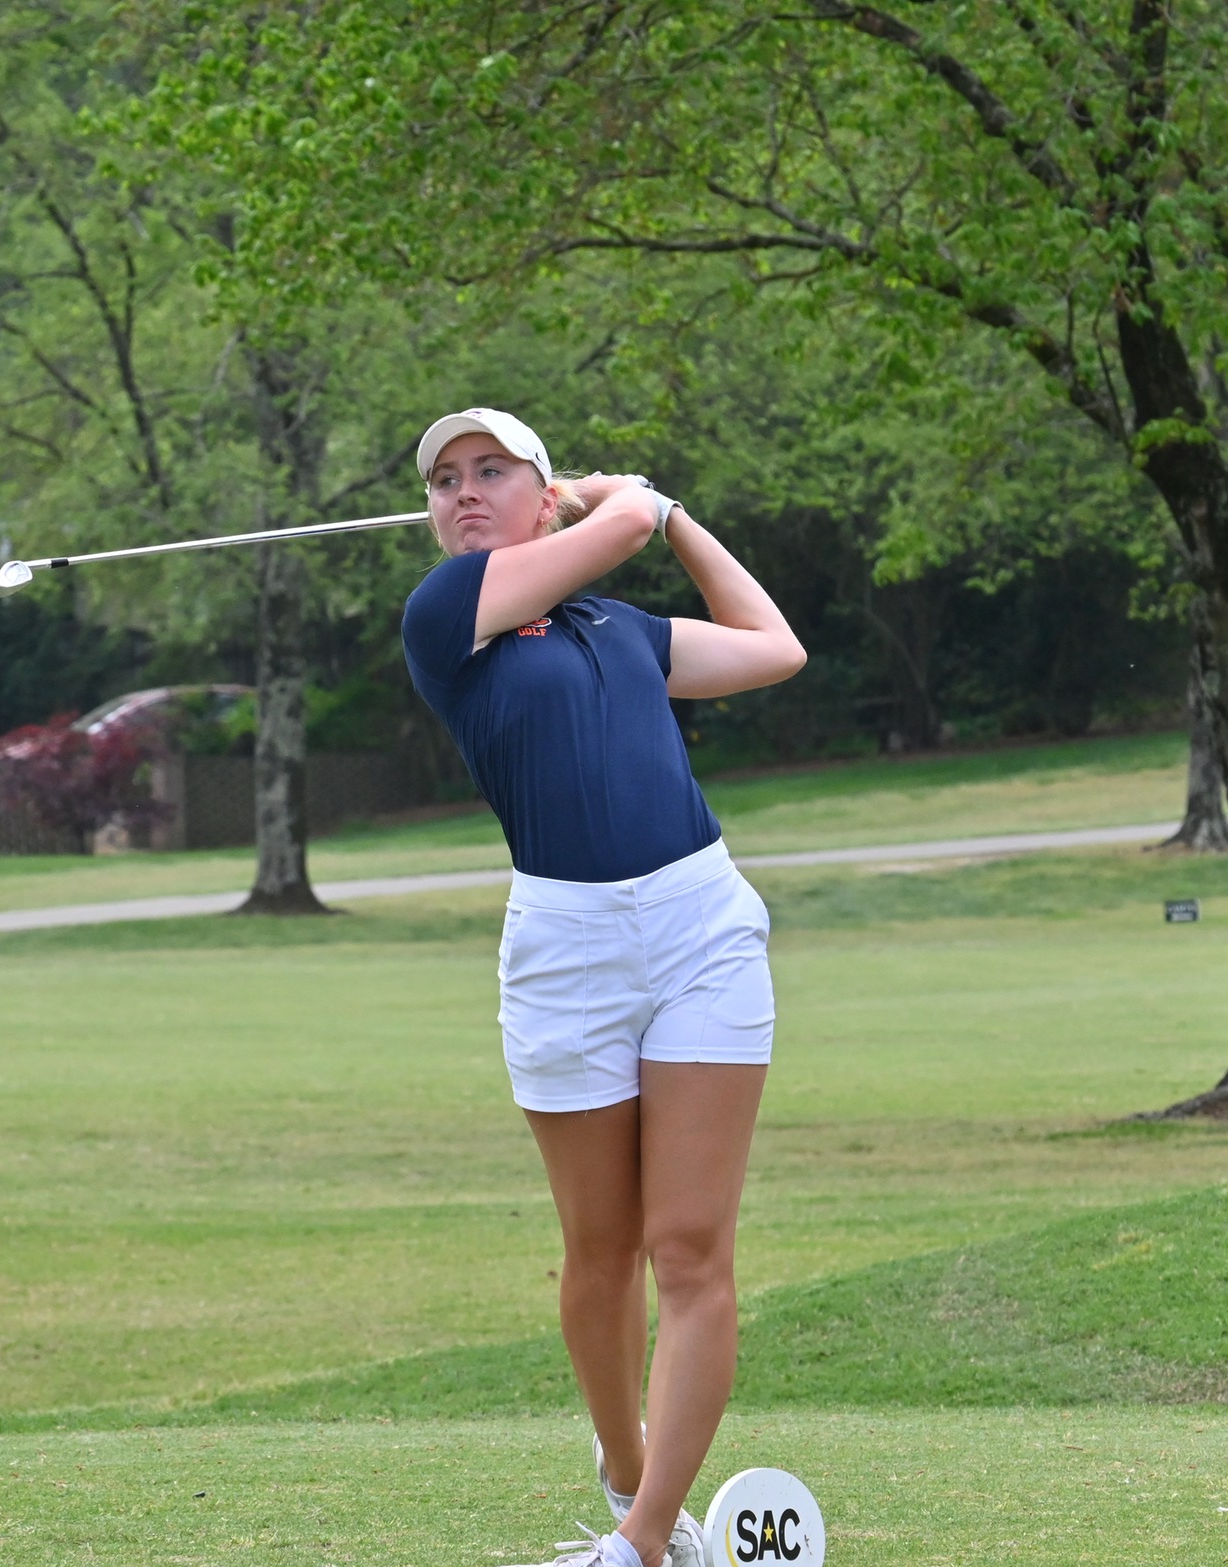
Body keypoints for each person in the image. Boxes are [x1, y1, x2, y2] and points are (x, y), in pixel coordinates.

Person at [400, 409, 806, 1567]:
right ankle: (629, 1468)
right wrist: (628, 502)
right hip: (564, 946)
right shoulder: (447, 618)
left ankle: (636, 1542)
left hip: (699, 925)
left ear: (538, 494)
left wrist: (675, 518)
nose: (463, 492)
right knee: (601, 1250)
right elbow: (621, 522)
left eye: (491, 472)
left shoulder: (622, 631)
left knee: (689, 1249)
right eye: (445, 481)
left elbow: (773, 645)